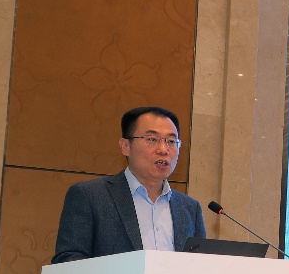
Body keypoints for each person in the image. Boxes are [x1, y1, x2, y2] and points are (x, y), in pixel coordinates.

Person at [51, 106, 206, 263]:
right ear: (125, 146)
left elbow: (201, 267)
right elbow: (68, 261)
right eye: (152, 139)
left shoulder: (190, 209)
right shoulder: (90, 196)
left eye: (171, 141)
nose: (163, 149)